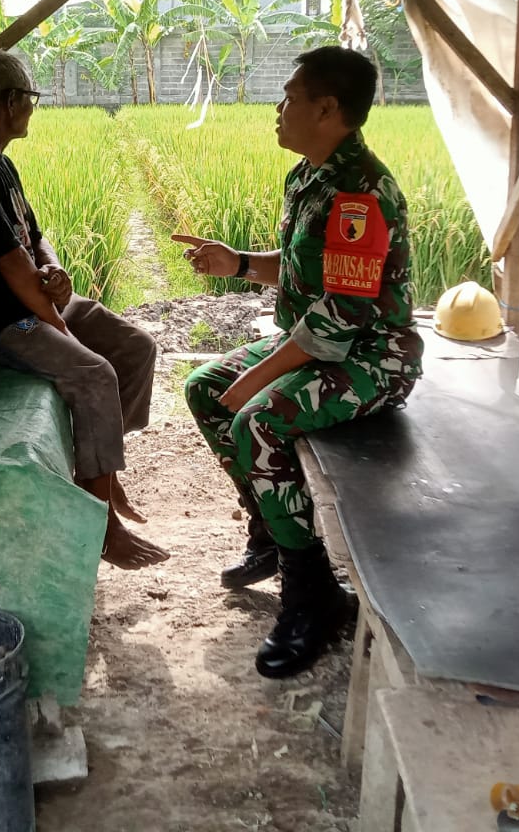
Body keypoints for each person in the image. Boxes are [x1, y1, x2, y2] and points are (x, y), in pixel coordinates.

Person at [176, 46, 424, 677]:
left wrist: (259, 378)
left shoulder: (359, 194)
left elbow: (340, 318)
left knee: (257, 419)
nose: (277, 108)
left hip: (372, 355)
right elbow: (298, 272)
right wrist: (235, 262)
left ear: (327, 108)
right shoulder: (310, 177)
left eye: (288, 96)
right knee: (207, 387)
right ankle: (271, 531)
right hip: (316, 343)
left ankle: (314, 593)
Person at [0, 50, 168, 570]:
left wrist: (57, 275)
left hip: (33, 300)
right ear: (9, 103)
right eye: (29, 100)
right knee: (95, 373)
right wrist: (60, 323)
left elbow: (33, 241)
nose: (32, 109)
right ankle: (100, 524)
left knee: (137, 348)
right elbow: (12, 269)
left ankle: (101, 472)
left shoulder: (1, 164)